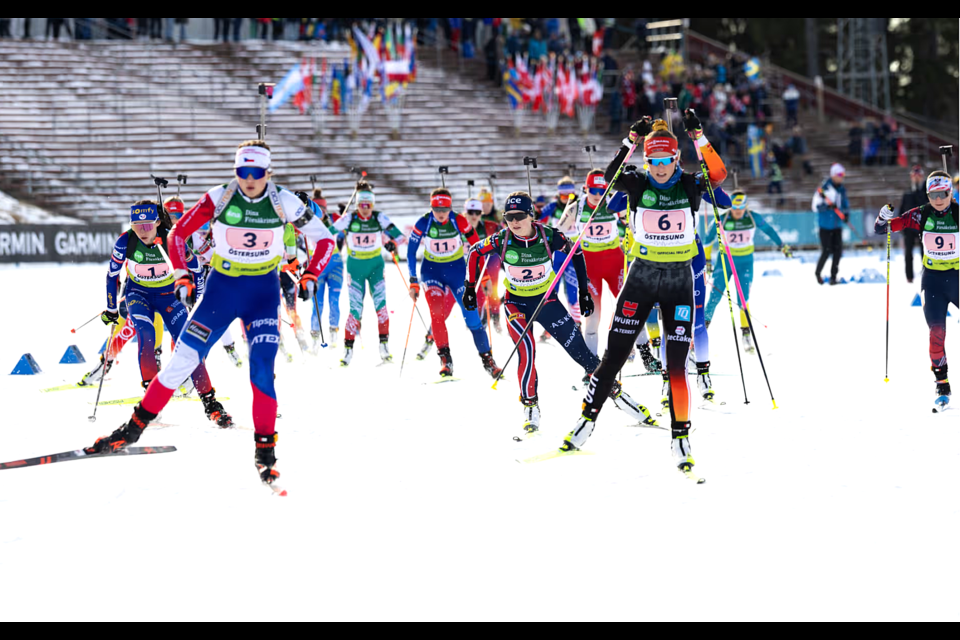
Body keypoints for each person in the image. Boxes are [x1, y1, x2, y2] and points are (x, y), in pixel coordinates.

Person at [85, 140, 337, 487]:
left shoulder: (283, 200)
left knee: (262, 370)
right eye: (243, 172)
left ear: (268, 172)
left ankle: (265, 455)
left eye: (257, 172)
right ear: (235, 171)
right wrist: (183, 275)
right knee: (180, 363)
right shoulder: (218, 197)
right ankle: (129, 432)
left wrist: (310, 275)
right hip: (222, 292)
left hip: (262, 295)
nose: (250, 179)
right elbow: (176, 234)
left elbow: (326, 240)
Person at [558, 112, 728, 478]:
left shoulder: (688, 184)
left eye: (667, 160)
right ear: (646, 160)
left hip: (679, 281)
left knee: (677, 365)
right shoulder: (636, 183)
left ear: (676, 160)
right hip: (641, 278)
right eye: (654, 160)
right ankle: (586, 421)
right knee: (614, 355)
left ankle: (680, 437)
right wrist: (629, 141)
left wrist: (698, 135)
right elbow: (606, 179)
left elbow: (717, 176)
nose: (661, 167)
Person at [464, 192, 656, 437]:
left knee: (581, 353)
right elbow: (473, 252)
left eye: (519, 216)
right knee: (527, 350)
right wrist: (470, 287)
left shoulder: (548, 236)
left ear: (531, 216)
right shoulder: (502, 239)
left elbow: (576, 252)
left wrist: (584, 291)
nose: (514, 222)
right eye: (509, 216)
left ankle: (618, 395)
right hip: (515, 305)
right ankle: (530, 405)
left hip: (546, 301)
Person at [100, 199, 232, 426]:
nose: (142, 231)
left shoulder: (171, 240)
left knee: (189, 345)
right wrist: (112, 308)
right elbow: (112, 275)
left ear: (158, 222)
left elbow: (197, 269)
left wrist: (197, 299)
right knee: (146, 335)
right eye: (136, 225)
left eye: (148, 225)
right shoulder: (125, 241)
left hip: (168, 297)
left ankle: (211, 405)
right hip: (138, 295)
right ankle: (150, 403)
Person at [876, 171, 958, 410]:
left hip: (958, 278)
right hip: (932, 281)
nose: (939, 199)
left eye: (943, 194)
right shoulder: (921, 213)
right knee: (936, 332)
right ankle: (942, 382)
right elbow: (885, 229)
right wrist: (883, 218)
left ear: (950, 193)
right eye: (934, 194)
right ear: (928, 194)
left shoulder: (958, 212)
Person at [407, 189, 502, 379]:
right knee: (437, 313)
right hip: (431, 271)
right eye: (436, 208)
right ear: (431, 207)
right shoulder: (424, 222)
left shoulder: (459, 220)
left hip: (457, 271)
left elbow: (477, 247)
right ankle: (445, 361)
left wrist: (484, 278)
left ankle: (488, 361)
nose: (441, 213)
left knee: (472, 317)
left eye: (445, 208)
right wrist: (413, 281)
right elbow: (410, 252)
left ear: (450, 207)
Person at [703, 190, 793, 354]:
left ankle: (746, 336)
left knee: (743, 299)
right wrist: (707, 261)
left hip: (745, 263)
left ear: (746, 206)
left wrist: (782, 246)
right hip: (724, 263)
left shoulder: (753, 217)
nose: (738, 211)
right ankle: (700, 333)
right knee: (714, 298)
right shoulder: (722, 219)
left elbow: (770, 231)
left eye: (741, 207)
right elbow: (707, 240)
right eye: (735, 207)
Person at [328, 183, 404, 367]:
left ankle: (384, 348)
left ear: (373, 204)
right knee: (355, 310)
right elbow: (327, 234)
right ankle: (347, 352)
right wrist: (335, 237)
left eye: (369, 205)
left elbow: (401, 237)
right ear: (357, 205)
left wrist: (392, 243)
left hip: (376, 267)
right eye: (362, 205)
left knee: (381, 308)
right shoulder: (350, 218)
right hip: (355, 268)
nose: (365, 209)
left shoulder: (379, 218)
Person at [555, 170, 627, 356]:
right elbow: (556, 233)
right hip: (589, 266)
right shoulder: (575, 208)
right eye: (593, 190)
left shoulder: (615, 204)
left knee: (627, 309)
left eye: (602, 191)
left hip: (615, 262)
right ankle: (591, 363)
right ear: (586, 189)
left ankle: (638, 351)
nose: (597, 195)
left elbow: (633, 224)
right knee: (592, 317)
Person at [300, 189, 344, 351]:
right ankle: (315, 340)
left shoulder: (333, 219)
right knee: (317, 304)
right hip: (317, 268)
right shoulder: (307, 222)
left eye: (324, 210)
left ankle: (333, 335)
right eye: (319, 210)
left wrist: (343, 213)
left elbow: (348, 221)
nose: (322, 214)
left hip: (335, 265)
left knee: (334, 300)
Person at [812, 163, 850, 285]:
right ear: (833, 175)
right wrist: (827, 206)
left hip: (837, 225)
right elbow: (815, 206)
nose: (842, 177)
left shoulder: (842, 189)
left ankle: (833, 277)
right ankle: (818, 273)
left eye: (843, 175)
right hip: (825, 226)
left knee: (838, 251)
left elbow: (845, 204)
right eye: (840, 174)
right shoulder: (824, 188)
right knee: (826, 251)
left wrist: (846, 214)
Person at [900, 165, 927, 284]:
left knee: (925, 253)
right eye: (914, 176)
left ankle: (926, 275)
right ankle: (909, 277)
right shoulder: (907, 193)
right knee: (908, 254)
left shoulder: (926, 192)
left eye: (918, 176)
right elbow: (901, 210)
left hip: (923, 227)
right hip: (909, 228)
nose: (916, 178)